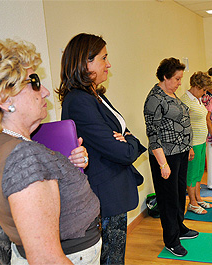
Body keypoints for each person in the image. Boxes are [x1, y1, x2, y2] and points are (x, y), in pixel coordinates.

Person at [0, 38, 101, 264]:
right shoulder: (24, 157)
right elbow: (46, 258)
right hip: (74, 254)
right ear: (4, 98)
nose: (47, 92)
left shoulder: (3, 142)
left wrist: (66, 168)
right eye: (35, 82)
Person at [57, 33, 146, 265]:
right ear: (85, 63)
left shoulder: (96, 95)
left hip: (113, 194)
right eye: (103, 58)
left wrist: (129, 139)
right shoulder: (79, 101)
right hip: (103, 198)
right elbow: (123, 152)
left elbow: (127, 135)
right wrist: (129, 142)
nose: (108, 64)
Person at [144, 57, 198, 257]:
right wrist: (163, 164)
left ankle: (180, 227)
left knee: (178, 194)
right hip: (165, 156)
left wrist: (188, 146)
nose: (179, 82)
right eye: (176, 79)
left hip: (181, 152)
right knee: (168, 199)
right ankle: (171, 240)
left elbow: (181, 121)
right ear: (165, 77)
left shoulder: (172, 94)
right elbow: (153, 135)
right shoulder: (155, 99)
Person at [180, 71, 212, 214]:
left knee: (199, 172)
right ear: (196, 86)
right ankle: (192, 203)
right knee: (192, 174)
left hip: (201, 141)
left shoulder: (197, 99)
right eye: (203, 89)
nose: (204, 92)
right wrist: (189, 147)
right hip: (192, 144)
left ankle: (198, 198)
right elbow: (183, 126)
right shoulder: (185, 101)